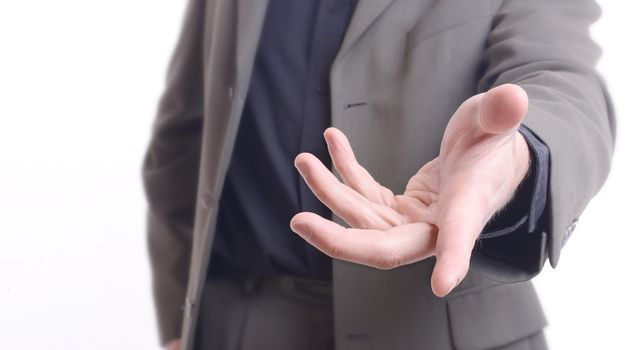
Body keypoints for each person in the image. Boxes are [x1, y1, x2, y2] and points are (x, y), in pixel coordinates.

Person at [142, 0, 615, 349]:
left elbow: (563, 81)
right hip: (239, 326)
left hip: (439, 332)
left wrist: (515, 157)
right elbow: (184, 135)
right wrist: (179, 326)